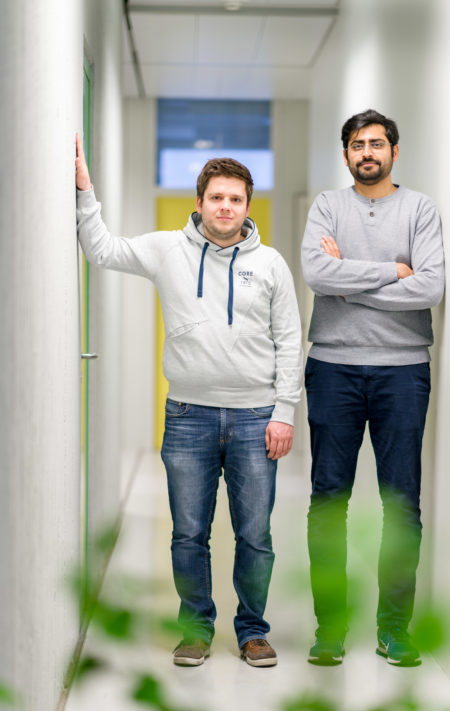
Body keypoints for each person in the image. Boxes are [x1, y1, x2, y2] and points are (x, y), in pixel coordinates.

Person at [75, 134, 302, 668]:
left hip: (255, 419)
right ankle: (195, 629)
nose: (226, 207)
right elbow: (102, 249)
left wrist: (285, 412)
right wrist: (85, 192)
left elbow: (291, 339)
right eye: (216, 197)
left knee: (255, 535)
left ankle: (252, 631)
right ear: (198, 202)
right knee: (188, 532)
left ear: (248, 205)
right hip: (188, 418)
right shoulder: (164, 250)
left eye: (236, 199)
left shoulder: (270, 265)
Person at [301, 109, 445, 667]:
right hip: (333, 367)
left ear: (394, 151)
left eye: (377, 144)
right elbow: (316, 273)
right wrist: (393, 270)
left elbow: (430, 287)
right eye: (358, 144)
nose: (368, 152)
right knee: (328, 500)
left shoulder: (420, 209)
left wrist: (351, 283)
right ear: (345, 155)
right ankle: (330, 629)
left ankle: (393, 629)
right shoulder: (327, 207)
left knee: (401, 503)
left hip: (403, 370)